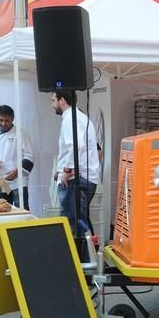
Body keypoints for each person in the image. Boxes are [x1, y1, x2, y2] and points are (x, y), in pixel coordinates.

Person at [50, 92, 99, 236]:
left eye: (53, 100)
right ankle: (89, 256)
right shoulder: (81, 117)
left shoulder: (70, 119)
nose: (52, 105)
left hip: (76, 179)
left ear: (62, 100)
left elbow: (76, 145)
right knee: (81, 222)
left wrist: (66, 170)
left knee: (73, 227)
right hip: (84, 176)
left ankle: (81, 258)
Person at [0, 105, 34, 210]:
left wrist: (17, 172)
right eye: (1, 120)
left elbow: (30, 156)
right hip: (1, 182)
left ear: (12, 119)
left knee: (22, 212)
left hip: (18, 182)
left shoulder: (20, 134)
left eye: (7, 121)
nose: (3, 123)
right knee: (3, 211)